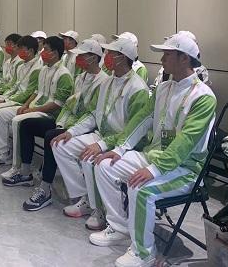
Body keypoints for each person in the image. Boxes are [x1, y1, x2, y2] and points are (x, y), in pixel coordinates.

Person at [91, 33, 216, 267]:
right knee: (104, 165)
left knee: (142, 189)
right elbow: (142, 119)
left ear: (184, 59)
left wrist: (154, 170)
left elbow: (186, 141)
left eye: (167, 54)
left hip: (185, 169)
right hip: (153, 155)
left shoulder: (203, 97)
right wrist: (120, 149)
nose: (162, 60)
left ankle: (144, 252)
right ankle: (119, 227)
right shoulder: (163, 88)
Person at [51, 37, 149, 229]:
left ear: (123, 57)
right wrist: (71, 132)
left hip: (123, 142)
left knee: (90, 157)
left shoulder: (138, 89)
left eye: (111, 53)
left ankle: (101, 210)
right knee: (61, 145)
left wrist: (102, 145)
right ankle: (87, 197)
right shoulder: (107, 82)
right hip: (102, 134)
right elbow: (93, 114)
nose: (106, 57)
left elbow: (132, 131)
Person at [17, 39, 109, 211]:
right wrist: (60, 123)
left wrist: (68, 129)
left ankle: (45, 188)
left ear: (94, 58)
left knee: (52, 136)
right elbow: (69, 105)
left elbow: (92, 114)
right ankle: (25, 171)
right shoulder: (80, 78)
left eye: (82, 56)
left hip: (86, 127)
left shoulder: (103, 82)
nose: (78, 59)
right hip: (67, 122)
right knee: (27, 124)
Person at [0, 36, 74, 183]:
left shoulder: (64, 74)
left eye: (45, 49)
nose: (42, 52)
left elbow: (57, 104)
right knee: (17, 118)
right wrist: (26, 105)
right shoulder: (44, 69)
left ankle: (17, 166)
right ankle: (22, 168)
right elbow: (37, 92)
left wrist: (33, 110)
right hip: (37, 108)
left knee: (18, 121)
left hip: (50, 115)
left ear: (55, 53)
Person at [0, 35, 42, 167]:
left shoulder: (37, 68)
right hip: (13, 97)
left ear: (31, 51)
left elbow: (28, 92)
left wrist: (6, 99)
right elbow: (15, 85)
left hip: (23, 102)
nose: (18, 51)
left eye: (21, 48)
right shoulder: (22, 65)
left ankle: (3, 153)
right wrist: (4, 97)